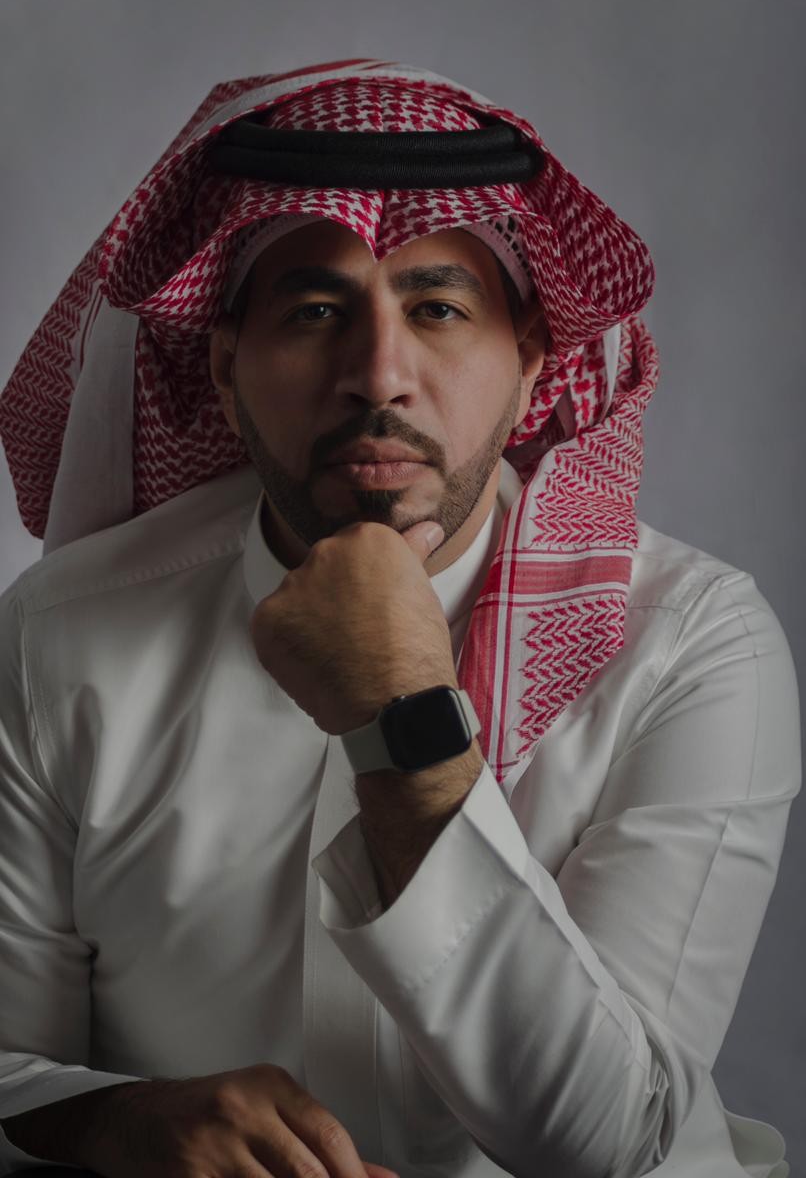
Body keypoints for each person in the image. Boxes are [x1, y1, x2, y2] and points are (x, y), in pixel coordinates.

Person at [0, 59, 800, 1178]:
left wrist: (400, 715)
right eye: (315, 311)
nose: (378, 374)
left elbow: (616, 1142)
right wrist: (108, 1119)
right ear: (224, 369)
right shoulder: (59, 636)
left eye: (437, 308)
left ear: (529, 364)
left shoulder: (690, 644)